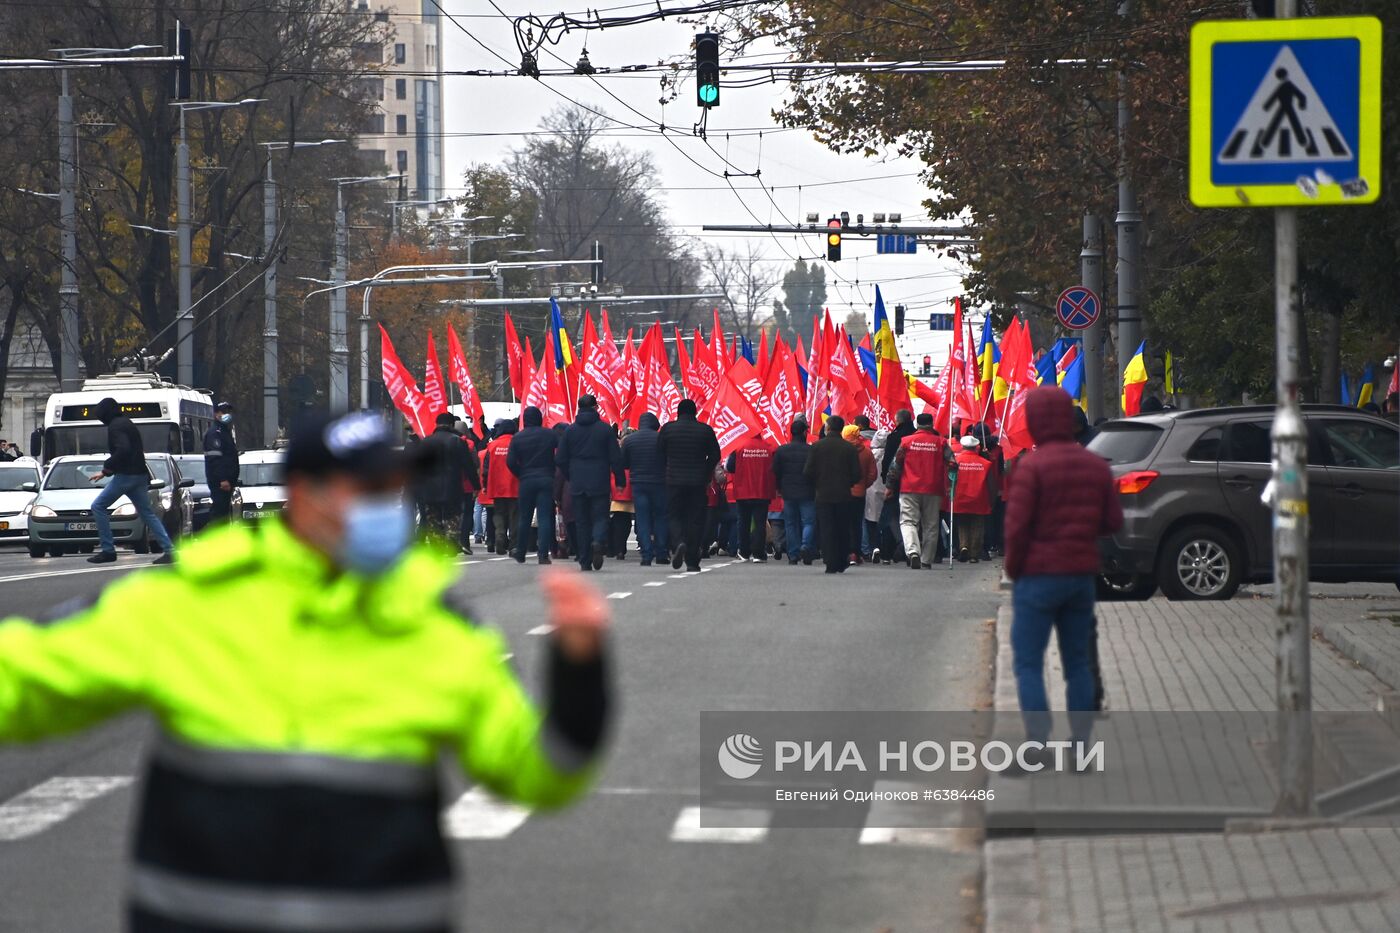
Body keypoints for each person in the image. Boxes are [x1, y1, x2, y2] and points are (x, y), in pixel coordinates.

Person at [0, 410, 613, 932]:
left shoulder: (436, 626)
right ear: (303, 495)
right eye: (364, 490)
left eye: (390, 489)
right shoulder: (195, 600)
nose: (383, 508)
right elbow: (24, 680)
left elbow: (540, 773)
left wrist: (578, 671)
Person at [1004, 386, 1123, 761]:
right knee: (1077, 663)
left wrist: (1015, 568)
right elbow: (1112, 521)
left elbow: (1016, 528)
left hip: (1037, 578)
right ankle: (1081, 747)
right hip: (1081, 577)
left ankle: (1037, 745)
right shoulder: (1095, 464)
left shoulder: (1032, 467)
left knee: (1028, 662)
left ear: (1036, 420)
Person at [87, 397, 175, 565]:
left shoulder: (115, 427)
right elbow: (133, 450)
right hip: (140, 475)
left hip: (125, 476)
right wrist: (106, 472)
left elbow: (123, 449)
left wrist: (107, 467)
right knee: (147, 513)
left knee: (98, 506)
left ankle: (108, 550)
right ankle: (169, 550)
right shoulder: (127, 423)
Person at [557, 395, 625, 572]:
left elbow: (560, 458)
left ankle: (585, 560)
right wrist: (619, 480)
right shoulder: (604, 430)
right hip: (599, 479)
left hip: (577, 481)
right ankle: (598, 540)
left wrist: (570, 475)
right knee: (600, 517)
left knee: (581, 521)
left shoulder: (570, 431)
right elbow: (615, 457)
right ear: (596, 408)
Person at [657, 398, 720, 572]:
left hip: (673, 481)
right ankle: (692, 560)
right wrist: (706, 472)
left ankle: (678, 542)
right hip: (698, 482)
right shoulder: (705, 431)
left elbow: (659, 454)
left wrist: (666, 470)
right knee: (695, 520)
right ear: (695, 413)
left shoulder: (668, 429)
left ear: (678, 412)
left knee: (674, 516)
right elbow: (715, 455)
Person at [886, 412, 946, 570]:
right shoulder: (941, 442)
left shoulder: (906, 441)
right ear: (932, 424)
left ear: (917, 424)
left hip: (909, 488)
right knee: (931, 525)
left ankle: (913, 552)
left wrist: (890, 486)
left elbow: (895, 466)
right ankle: (926, 559)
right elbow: (952, 464)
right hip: (934, 489)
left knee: (907, 521)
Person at [803, 415, 861, 574]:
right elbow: (857, 474)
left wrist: (817, 484)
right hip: (843, 494)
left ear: (827, 428)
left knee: (827, 528)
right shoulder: (849, 448)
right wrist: (848, 482)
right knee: (842, 527)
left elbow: (808, 472)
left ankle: (830, 561)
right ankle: (842, 560)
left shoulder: (817, 447)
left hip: (823, 494)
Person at [507, 406, 558, 565]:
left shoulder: (517, 437)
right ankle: (543, 554)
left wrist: (521, 473)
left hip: (526, 479)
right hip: (546, 477)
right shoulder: (550, 435)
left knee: (524, 517)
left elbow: (510, 462)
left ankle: (520, 551)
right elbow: (560, 453)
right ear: (539, 418)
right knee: (544, 517)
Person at [417, 412, 476, 545]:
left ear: (436, 424)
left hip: (430, 488)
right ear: (451, 424)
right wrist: (476, 485)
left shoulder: (426, 442)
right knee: (452, 516)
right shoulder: (458, 441)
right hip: (452, 486)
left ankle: (436, 544)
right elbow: (468, 465)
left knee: (433, 517)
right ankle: (451, 542)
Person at [622, 412, 668, 566]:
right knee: (660, 517)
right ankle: (661, 553)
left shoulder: (630, 441)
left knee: (642, 518)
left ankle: (646, 554)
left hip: (638, 483)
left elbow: (624, 463)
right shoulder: (661, 439)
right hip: (659, 482)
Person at [725, 427, 776, 562]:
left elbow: (729, 467)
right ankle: (758, 553)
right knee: (760, 523)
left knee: (743, 522)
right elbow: (775, 468)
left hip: (743, 490)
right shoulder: (769, 448)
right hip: (762, 490)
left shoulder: (738, 447)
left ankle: (744, 552)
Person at [773, 419, 816, 565]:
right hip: (808, 491)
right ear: (804, 432)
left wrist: (779, 487)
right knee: (808, 522)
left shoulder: (781, 450)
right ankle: (805, 545)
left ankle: (793, 554)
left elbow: (776, 471)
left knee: (790, 523)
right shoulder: (811, 450)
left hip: (788, 491)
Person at [953, 435, 997, 562]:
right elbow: (991, 484)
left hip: (960, 498)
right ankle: (973, 554)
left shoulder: (956, 461)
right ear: (976, 447)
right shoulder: (986, 463)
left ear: (963, 446)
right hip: (980, 499)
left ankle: (963, 546)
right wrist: (992, 500)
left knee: (962, 524)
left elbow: (951, 480)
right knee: (977, 526)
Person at [842, 424, 877, 565]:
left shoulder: (841, 451)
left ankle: (846, 552)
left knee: (843, 523)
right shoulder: (867, 452)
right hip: (859, 493)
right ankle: (856, 553)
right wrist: (863, 485)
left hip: (842, 492)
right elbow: (872, 474)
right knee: (857, 524)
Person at [483, 419, 519, 555]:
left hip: (497, 486)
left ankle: (500, 535)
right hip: (515, 485)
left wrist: (485, 484)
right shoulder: (516, 443)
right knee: (515, 516)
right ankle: (514, 545)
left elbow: (485, 468)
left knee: (499, 514)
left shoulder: (492, 446)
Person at [202, 402, 241, 525]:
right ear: (216, 414)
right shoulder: (215, 433)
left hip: (227, 482)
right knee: (219, 514)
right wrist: (223, 479)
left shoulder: (225, 431)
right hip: (220, 483)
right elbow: (215, 459)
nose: (227, 415)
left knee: (224, 513)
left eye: (228, 412)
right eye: (223, 412)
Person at [454, 420, 483, 555]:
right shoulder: (470, 444)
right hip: (468, 484)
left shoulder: (449, 442)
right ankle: (465, 542)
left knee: (454, 513)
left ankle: (453, 541)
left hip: (452, 484)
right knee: (467, 513)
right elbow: (475, 464)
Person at [882, 408, 915, 482]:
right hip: (915, 475)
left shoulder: (893, 437)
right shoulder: (917, 434)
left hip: (897, 477)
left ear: (898, 421)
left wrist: (885, 476)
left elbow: (887, 458)